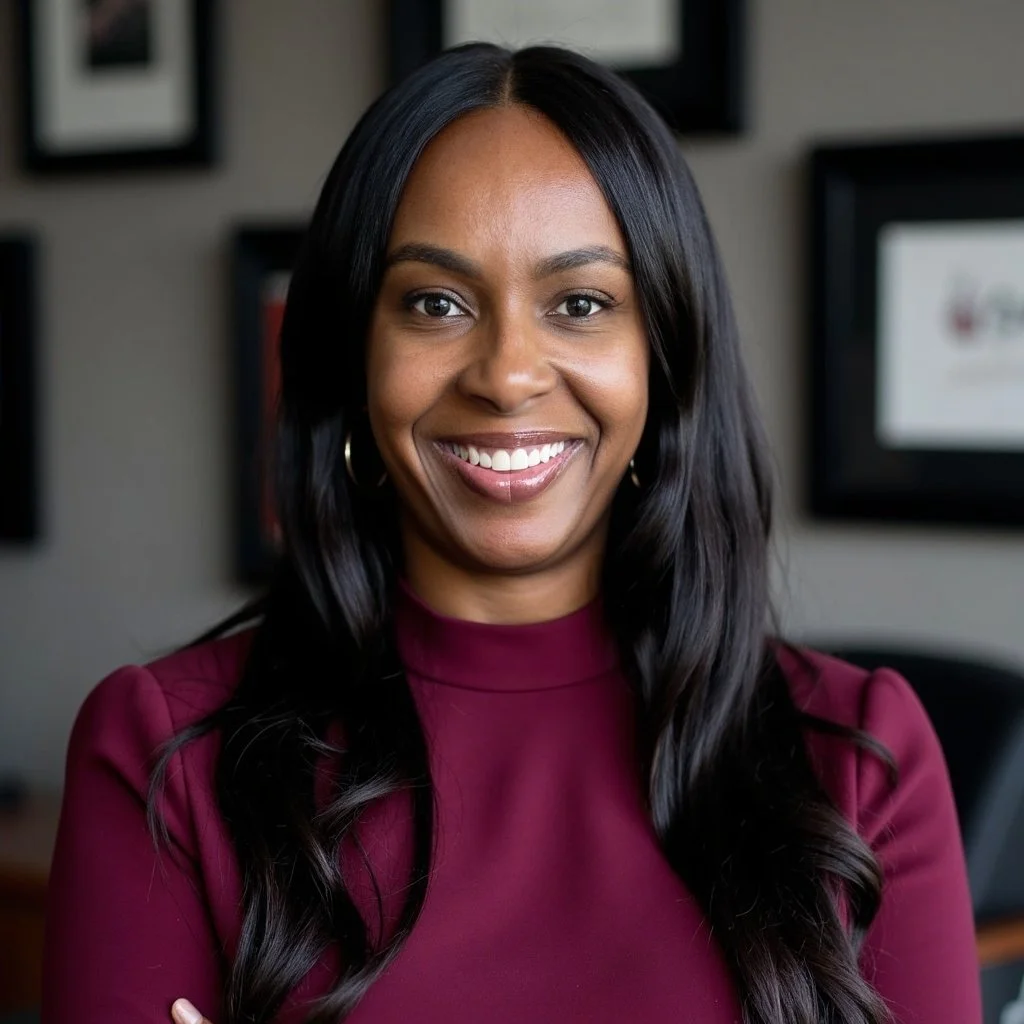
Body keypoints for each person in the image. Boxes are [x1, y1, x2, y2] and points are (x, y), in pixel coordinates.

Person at [41, 43, 981, 1024]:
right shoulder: (162, 753)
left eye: (580, 304)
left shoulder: (863, 759)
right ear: (355, 350)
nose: (506, 374)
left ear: (663, 356)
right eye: (435, 303)